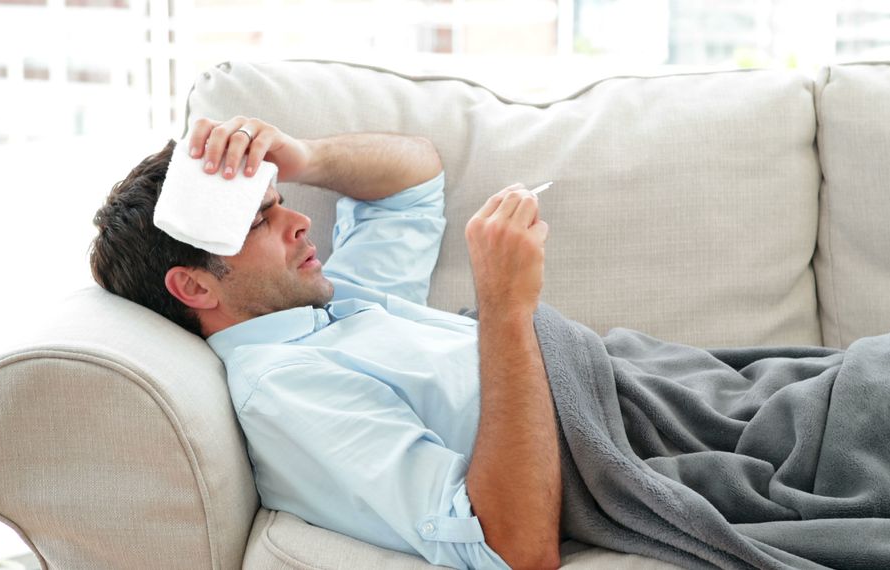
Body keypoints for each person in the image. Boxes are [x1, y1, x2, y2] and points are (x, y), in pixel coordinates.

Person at [90, 116, 561, 569]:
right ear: (194, 288)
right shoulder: (287, 388)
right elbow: (511, 548)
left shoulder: (323, 296)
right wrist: (505, 306)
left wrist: (305, 157)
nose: (299, 222)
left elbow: (414, 177)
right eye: (258, 221)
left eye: (279, 200)